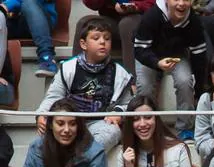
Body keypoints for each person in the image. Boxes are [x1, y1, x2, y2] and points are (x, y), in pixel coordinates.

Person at [36, 17, 134, 156]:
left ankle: (81, 160)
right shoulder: (68, 68)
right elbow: (54, 97)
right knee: (43, 137)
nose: (102, 42)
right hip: (69, 122)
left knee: (113, 131)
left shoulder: (120, 73)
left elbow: (129, 103)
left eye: (107, 39)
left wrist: (118, 112)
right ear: (83, 44)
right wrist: (42, 115)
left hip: (99, 123)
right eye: (96, 38)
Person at [133, 0, 210, 135]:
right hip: (148, 53)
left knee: (185, 80)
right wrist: (156, 63)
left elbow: (199, 57)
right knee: (144, 85)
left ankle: (185, 128)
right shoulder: (152, 16)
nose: (181, 3)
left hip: (177, 55)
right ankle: (147, 127)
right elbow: (140, 50)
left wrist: (199, 91)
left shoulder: (193, 21)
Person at [81, 0, 148, 72]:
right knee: (84, 23)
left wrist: (136, 6)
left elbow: (154, 4)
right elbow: (91, 4)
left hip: (140, 16)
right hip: (112, 18)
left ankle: (132, 80)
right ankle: (78, 75)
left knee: (127, 24)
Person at [5, 0, 59, 77]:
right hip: (11, 22)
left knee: (29, 2)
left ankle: (47, 58)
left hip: (39, 20)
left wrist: (7, 5)